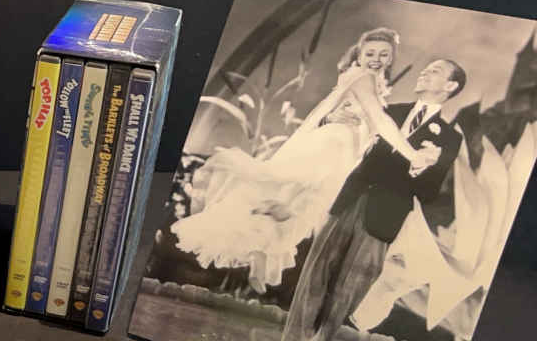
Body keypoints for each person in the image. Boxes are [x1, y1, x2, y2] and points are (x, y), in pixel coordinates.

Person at [172, 28, 435, 291]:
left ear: (391, 58)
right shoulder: (362, 77)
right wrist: (411, 154)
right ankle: (260, 234)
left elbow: (354, 117)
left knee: (294, 207)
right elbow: (379, 119)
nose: (376, 59)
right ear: (359, 55)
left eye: (383, 54)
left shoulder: (374, 83)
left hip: (343, 149)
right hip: (332, 145)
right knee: (300, 200)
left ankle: (261, 250)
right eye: (370, 53)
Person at [266, 58, 467, 341]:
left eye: (435, 71)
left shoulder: (450, 138)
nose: (425, 72)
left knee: (349, 288)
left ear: (450, 86)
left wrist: (424, 167)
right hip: (350, 200)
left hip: (385, 216)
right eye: (426, 68)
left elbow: (428, 193)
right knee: (314, 275)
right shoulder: (390, 111)